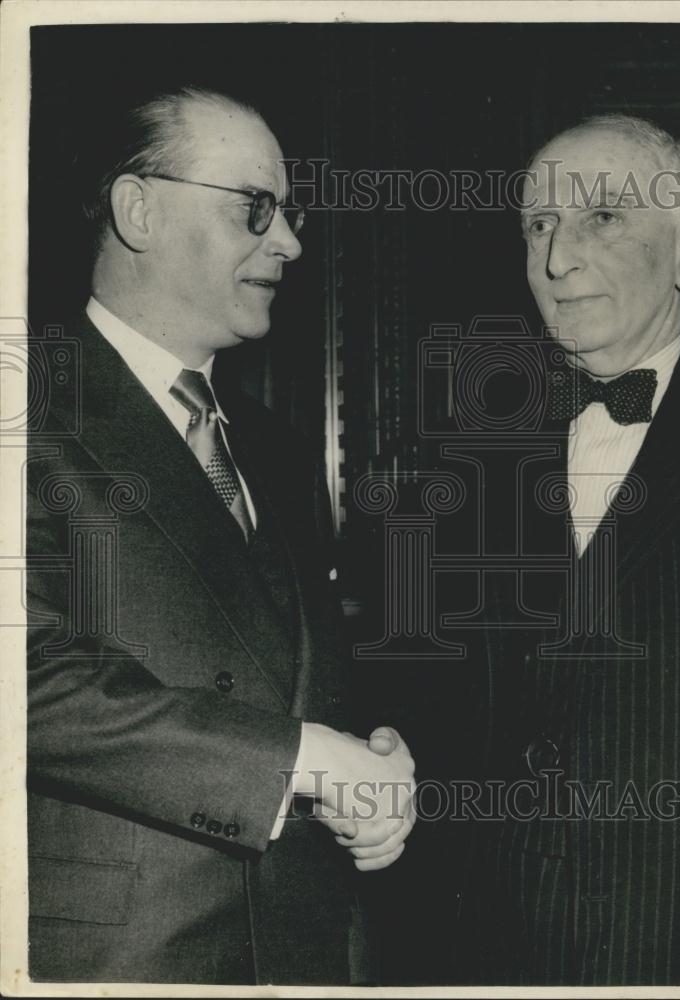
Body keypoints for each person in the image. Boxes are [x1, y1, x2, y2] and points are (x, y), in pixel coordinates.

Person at [26, 85, 416, 986]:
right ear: (139, 209)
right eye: (256, 209)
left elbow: (298, 680)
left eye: (288, 213)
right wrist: (311, 759)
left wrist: (371, 771)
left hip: (305, 949)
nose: (288, 241)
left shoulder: (274, 446)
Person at [455, 114, 680, 985]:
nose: (557, 260)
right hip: (501, 949)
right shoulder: (474, 458)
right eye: (537, 225)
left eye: (601, 218)